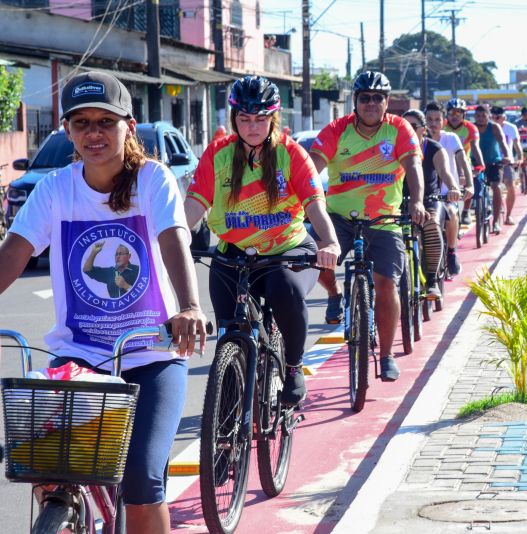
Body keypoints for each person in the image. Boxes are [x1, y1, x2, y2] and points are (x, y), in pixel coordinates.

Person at [0, 71, 207, 533]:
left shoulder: (152, 179)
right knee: (44, 462)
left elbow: (174, 238)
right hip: (80, 354)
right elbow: (12, 254)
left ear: (128, 127)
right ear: (68, 131)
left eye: (105, 122)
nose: (93, 133)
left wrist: (189, 307)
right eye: (82, 123)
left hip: (152, 352)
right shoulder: (55, 188)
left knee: (140, 476)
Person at [184, 75, 340, 407]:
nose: (252, 127)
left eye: (260, 119)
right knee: (229, 334)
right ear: (233, 119)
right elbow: (194, 204)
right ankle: (225, 431)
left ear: (273, 118)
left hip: (287, 250)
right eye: (244, 119)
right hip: (234, 253)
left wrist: (329, 242)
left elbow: (315, 204)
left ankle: (293, 366)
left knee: (284, 289)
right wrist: (173, 239)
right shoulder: (218, 154)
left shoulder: (291, 153)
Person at [308, 71, 426, 382]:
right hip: (340, 218)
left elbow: (413, 165)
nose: (371, 103)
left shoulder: (399, 129)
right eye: (364, 98)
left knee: (387, 283)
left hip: (384, 219)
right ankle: (335, 294)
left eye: (378, 98)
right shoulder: (337, 130)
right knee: (314, 256)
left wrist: (416, 202)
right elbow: (312, 167)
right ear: (355, 101)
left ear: (387, 102)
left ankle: (386, 355)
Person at [402, 109, 461, 298]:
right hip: (399, 203)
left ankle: (432, 279)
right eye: (404, 126)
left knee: (432, 225)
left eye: (413, 126)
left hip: (430, 201)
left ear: (423, 130)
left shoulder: (434, 148)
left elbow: (445, 172)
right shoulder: (391, 149)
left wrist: (453, 187)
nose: (408, 130)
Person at [424, 101, 474, 276]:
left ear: (443, 121)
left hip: (446, 195)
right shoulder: (418, 141)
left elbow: (463, 161)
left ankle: (452, 252)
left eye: (437, 119)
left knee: (452, 214)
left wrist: (469, 184)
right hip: (425, 197)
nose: (433, 124)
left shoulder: (450, 139)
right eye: (429, 119)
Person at [444, 98, 484, 225]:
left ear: (464, 114)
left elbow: (475, 147)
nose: (454, 116)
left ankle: (466, 210)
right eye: (451, 113)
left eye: (458, 113)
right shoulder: (442, 125)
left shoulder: (471, 128)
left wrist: (481, 164)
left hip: (463, 164)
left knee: (471, 181)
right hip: (444, 162)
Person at [473, 104, 511, 234]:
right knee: (471, 186)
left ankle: (495, 222)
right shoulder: (472, 128)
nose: (481, 118)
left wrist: (507, 156)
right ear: (474, 117)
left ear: (489, 116)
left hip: (494, 163)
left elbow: (503, 143)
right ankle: (467, 212)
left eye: (484, 116)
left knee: (496, 187)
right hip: (476, 163)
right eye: (478, 116)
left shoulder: (494, 127)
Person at [490, 106, 522, 225]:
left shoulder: (511, 128)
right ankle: (493, 213)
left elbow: (516, 144)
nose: (494, 119)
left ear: (504, 117)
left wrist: (520, 157)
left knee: (510, 185)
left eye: (497, 117)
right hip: (491, 161)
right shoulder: (488, 127)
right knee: (493, 187)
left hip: (507, 161)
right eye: (492, 117)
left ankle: (508, 216)